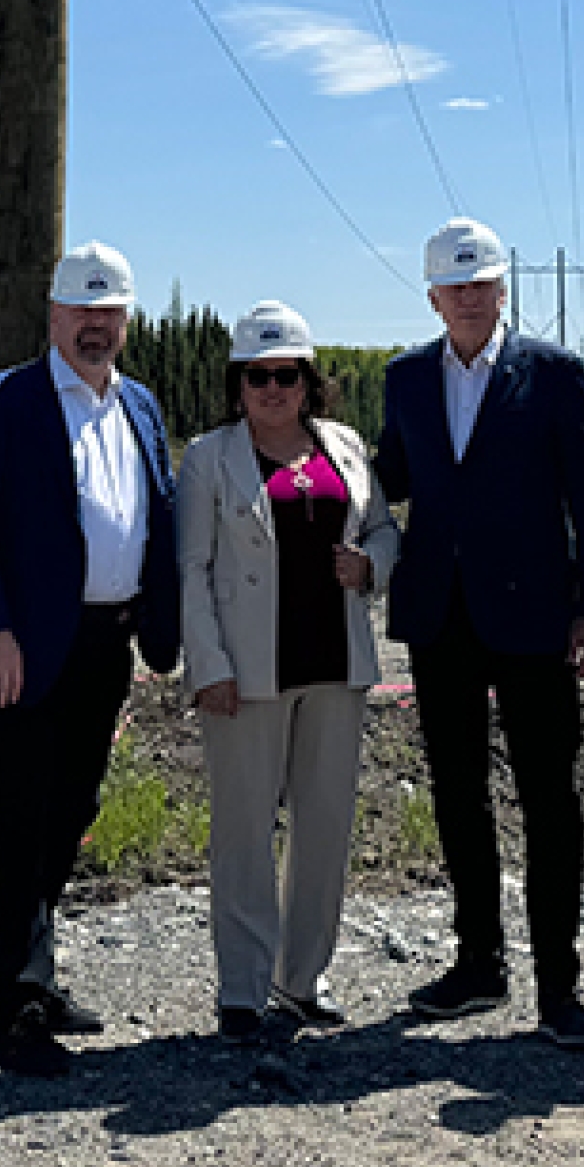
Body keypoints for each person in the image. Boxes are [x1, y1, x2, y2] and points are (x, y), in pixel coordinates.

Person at [375, 218, 584, 1049]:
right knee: (457, 793)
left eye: (483, 283)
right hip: (442, 616)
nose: (472, 297)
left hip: (535, 616)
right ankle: (478, 962)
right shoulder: (406, 378)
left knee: (550, 797)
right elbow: (390, 477)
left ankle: (560, 988)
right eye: (457, 285)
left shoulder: (551, 375)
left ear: (502, 288)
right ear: (434, 294)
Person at [0, 241, 179, 1076]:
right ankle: (13, 1008)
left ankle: (33, 976)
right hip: (19, 648)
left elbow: (160, 512)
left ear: (126, 318)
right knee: (13, 821)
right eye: (81, 310)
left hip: (104, 645)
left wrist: (165, 625)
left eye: (109, 309)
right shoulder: (1, 401)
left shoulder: (140, 406)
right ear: (52, 316)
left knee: (70, 809)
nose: (95, 325)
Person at [178, 300, 398, 1043]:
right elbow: (193, 570)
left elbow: (383, 528)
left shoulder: (344, 444)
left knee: (326, 827)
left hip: (336, 665)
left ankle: (302, 979)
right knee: (243, 830)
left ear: (308, 383)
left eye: (286, 375)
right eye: (257, 376)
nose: (272, 389)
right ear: (237, 384)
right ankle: (242, 988)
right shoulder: (209, 457)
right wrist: (207, 665)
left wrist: (373, 568)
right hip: (246, 673)